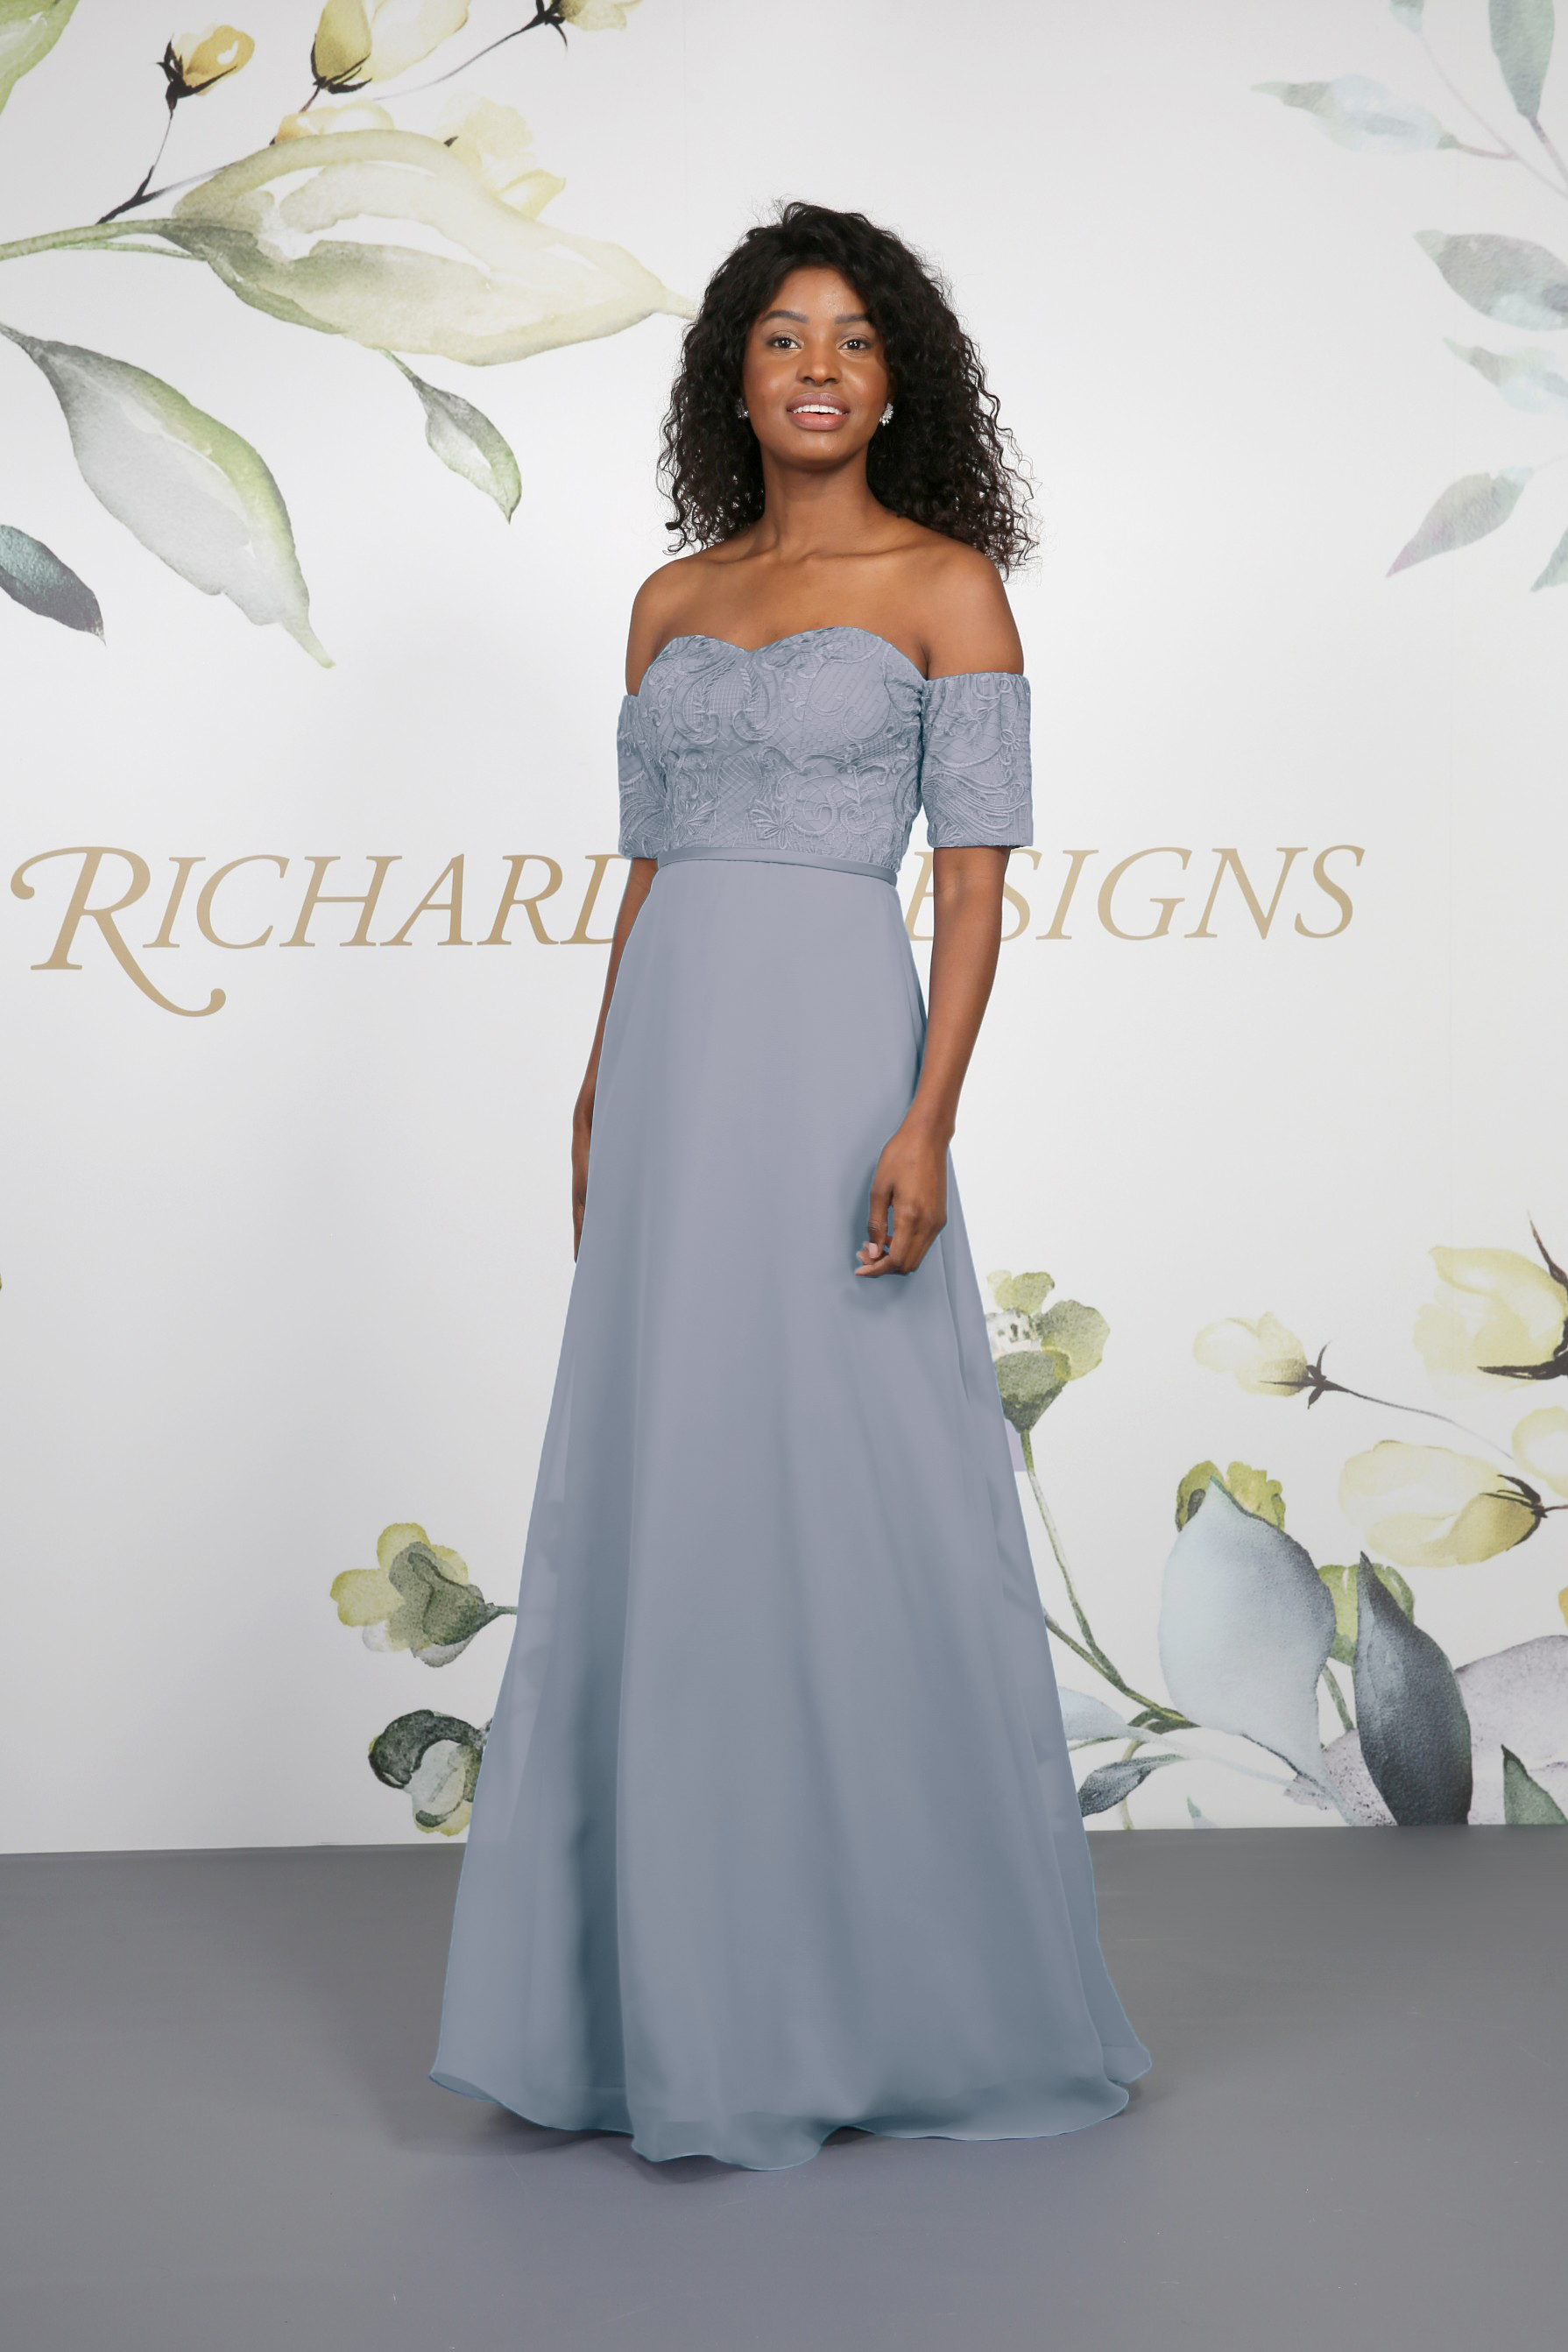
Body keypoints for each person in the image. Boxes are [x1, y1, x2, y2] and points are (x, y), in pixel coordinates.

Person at [430, 201, 1149, 2170]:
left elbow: (974, 888)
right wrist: (597, 1084)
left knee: (851, 1487)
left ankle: (884, 1990)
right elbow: (648, 873)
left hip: (838, 1065)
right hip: (675, 1070)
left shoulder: (949, 587)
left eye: (850, 337)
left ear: (895, 379)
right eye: (778, 336)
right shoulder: (667, 600)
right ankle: (644, 2000)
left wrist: (926, 1121)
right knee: (663, 1481)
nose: (815, 365)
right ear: (731, 380)